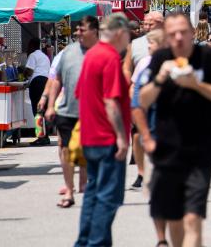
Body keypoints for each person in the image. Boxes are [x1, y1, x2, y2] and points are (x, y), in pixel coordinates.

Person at [140, 12, 211, 247]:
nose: (179, 38)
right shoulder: (161, 57)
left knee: (193, 217)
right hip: (168, 150)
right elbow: (143, 100)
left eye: (183, 32)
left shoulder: (207, 57)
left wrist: (196, 84)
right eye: (172, 34)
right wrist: (160, 78)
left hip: (200, 149)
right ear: (167, 37)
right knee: (175, 218)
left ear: (193, 33)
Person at [74, 13, 132, 247]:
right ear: (119, 33)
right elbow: (111, 101)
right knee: (109, 197)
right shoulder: (109, 58)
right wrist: (121, 137)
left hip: (91, 137)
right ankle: (95, 243)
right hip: (107, 138)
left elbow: (80, 94)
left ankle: (86, 241)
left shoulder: (91, 56)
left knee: (93, 193)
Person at [46, 16, 99, 208]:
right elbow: (57, 80)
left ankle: (84, 183)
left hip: (93, 112)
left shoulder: (103, 52)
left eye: (82, 29)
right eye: (77, 30)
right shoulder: (67, 52)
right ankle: (69, 190)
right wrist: (51, 105)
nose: (77, 33)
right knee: (67, 149)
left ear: (94, 31)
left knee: (86, 149)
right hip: (67, 110)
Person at [130, 28, 169, 246]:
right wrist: (145, 132)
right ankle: (162, 238)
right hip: (156, 133)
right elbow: (136, 98)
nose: (149, 49)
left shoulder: (180, 65)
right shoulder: (145, 66)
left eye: (152, 45)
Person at [127, 10, 164, 189]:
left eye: (151, 23)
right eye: (145, 23)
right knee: (138, 136)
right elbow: (128, 71)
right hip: (142, 98)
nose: (147, 26)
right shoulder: (135, 44)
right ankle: (141, 172)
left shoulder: (171, 42)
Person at [25, 37, 52, 146]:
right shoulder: (45, 57)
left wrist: (23, 72)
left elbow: (29, 71)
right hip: (46, 82)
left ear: (31, 45)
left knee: (37, 111)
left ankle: (41, 137)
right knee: (43, 110)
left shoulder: (33, 55)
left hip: (36, 83)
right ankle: (45, 136)